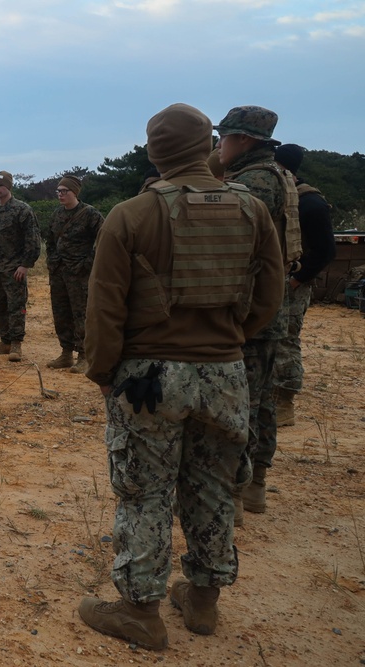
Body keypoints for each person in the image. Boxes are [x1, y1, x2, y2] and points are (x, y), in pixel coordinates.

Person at [79, 103, 284, 649]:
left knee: (144, 492)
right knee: (214, 485)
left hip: (150, 378)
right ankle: (202, 601)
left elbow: (105, 307)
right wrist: (228, 339)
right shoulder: (250, 210)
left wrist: (102, 371)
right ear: (208, 146)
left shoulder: (131, 214)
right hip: (225, 372)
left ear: (154, 152)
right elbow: (270, 296)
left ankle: (139, 612)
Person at [216, 105, 299, 518]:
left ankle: (234, 491)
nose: (218, 145)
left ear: (243, 140)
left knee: (239, 404)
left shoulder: (253, 184)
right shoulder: (278, 175)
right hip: (266, 307)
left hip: (249, 309)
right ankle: (255, 487)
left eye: (224, 137)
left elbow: (234, 248)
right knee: (261, 401)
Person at [271, 144, 337, 426]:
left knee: (286, 341)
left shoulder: (310, 202)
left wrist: (297, 280)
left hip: (292, 283)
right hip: (273, 281)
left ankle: (284, 404)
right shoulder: (282, 198)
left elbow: (326, 251)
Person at [44, 175, 104, 373]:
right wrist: (52, 261)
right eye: (58, 191)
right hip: (59, 273)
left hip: (80, 274)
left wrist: (88, 262)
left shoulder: (90, 214)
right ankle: (66, 353)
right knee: (61, 313)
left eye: (64, 191)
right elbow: (50, 240)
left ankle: (84, 356)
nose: (60, 195)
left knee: (81, 314)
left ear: (75, 192)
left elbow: (104, 239)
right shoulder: (56, 214)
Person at [0, 170, 41, 362]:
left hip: (14, 269)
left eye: (1, 186)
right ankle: (5, 341)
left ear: (9, 187)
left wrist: (25, 265)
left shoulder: (22, 210)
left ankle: (16, 344)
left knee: (16, 307)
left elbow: (33, 240)